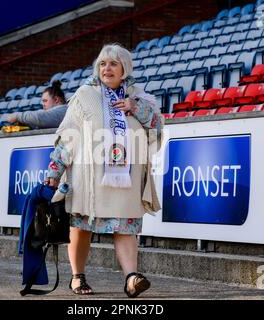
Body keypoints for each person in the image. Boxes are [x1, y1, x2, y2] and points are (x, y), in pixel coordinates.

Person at [45, 44, 163, 298]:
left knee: (126, 228)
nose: (106, 68)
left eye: (113, 64)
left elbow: (156, 132)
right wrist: (55, 170)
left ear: (124, 69)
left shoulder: (140, 97)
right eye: (102, 64)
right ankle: (77, 277)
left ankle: (132, 278)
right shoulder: (85, 95)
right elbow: (68, 136)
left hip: (126, 181)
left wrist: (135, 107)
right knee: (82, 227)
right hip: (88, 178)